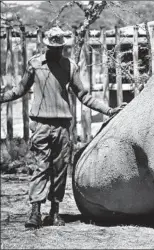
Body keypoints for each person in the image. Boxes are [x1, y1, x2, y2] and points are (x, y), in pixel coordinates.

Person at [0, 26, 126, 229]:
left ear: (63, 47)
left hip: (63, 127)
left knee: (59, 170)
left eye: (59, 47)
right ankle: (35, 212)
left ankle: (54, 212)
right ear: (46, 45)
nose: (56, 50)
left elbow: (84, 95)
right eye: (52, 46)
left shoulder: (70, 67)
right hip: (41, 125)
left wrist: (109, 110)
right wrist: (2, 97)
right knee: (41, 167)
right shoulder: (35, 64)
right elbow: (20, 89)